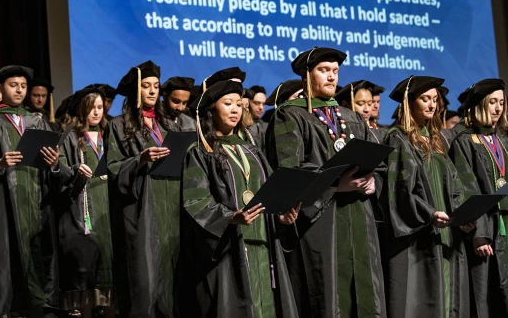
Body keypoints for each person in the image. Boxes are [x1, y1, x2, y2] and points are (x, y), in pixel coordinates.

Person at [266, 47, 386, 318]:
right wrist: (335, 186)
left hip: (359, 216)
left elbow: (375, 162)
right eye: (324, 71)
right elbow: (290, 170)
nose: (332, 77)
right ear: (307, 76)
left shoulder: (351, 117)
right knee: (329, 296)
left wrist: (372, 181)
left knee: (367, 295)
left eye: (335, 72)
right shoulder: (290, 115)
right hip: (322, 221)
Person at [179, 79, 300, 318]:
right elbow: (196, 201)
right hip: (229, 250)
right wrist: (231, 217)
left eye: (238, 104)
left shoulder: (253, 152)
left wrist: (281, 216)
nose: (235, 109)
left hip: (263, 244)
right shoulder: (200, 153)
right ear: (212, 109)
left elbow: (269, 194)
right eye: (227, 103)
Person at [0, 65, 62, 318]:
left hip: (37, 199)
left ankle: (39, 307)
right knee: (6, 257)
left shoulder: (38, 120)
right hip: (3, 202)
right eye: (13, 85)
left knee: (38, 256)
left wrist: (55, 163)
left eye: (23, 86)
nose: (20, 90)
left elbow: (60, 168)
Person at [382, 76, 471, 318]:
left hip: (445, 230)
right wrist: (429, 214)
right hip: (418, 233)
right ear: (410, 103)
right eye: (425, 99)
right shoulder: (398, 138)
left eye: (435, 99)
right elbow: (401, 190)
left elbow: (454, 183)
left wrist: (463, 213)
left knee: (448, 297)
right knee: (420, 298)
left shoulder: (437, 139)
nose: (432, 105)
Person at [106, 60, 178, 318]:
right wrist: (141, 159)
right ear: (135, 91)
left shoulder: (170, 123)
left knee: (174, 279)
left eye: (156, 86)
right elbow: (113, 168)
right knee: (145, 278)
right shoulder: (118, 125)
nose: (152, 91)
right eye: (146, 86)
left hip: (172, 207)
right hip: (141, 209)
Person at [449, 78, 508, 318]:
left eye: (502, 103)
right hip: (488, 228)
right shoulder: (465, 141)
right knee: (487, 296)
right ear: (480, 105)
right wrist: (478, 234)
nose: (498, 108)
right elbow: (467, 188)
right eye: (492, 102)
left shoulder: (502, 141)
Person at [57, 87, 114, 318]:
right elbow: (58, 170)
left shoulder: (109, 136)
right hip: (81, 211)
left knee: (107, 275)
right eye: (91, 108)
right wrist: (75, 171)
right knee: (83, 271)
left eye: (100, 107)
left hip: (108, 210)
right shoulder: (70, 137)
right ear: (81, 109)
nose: (96, 112)